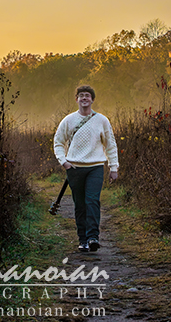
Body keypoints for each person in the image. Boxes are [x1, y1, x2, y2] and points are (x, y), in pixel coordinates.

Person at [53, 85, 118, 252]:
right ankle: (82, 239)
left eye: (87, 96)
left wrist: (113, 167)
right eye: (81, 95)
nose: (84, 98)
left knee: (92, 201)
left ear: (92, 99)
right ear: (76, 99)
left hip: (95, 167)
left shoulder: (102, 120)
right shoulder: (68, 120)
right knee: (80, 205)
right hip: (74, 168)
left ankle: (93, 238)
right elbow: (58, 142)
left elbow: (110, 145)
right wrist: (64, 162)